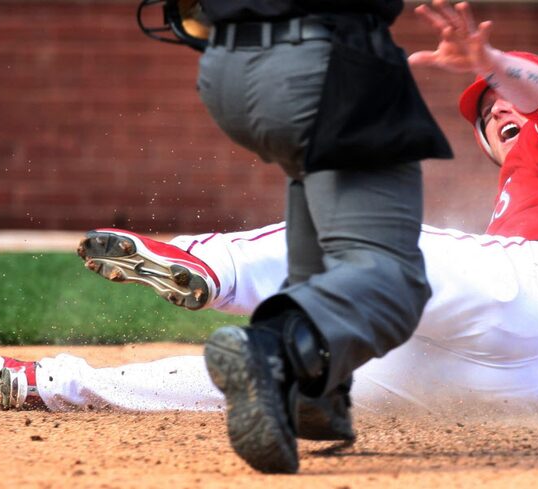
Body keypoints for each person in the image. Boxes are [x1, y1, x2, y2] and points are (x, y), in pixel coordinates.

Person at [0, 0, 538, 452]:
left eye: (499, 102)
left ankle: (210, 267)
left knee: (374, 242)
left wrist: (497, 62)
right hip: (517, 384)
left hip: (534, 291)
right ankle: (56, 383)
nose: (497, 110)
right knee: (283, 367)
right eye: (485, 116)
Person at [187, 0, 454, 475]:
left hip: (225, 70)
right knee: (390, 278)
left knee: (331, 233)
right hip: (321, 61)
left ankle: (316, 393)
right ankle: (272, 350)